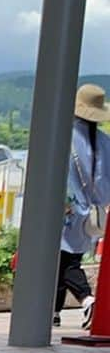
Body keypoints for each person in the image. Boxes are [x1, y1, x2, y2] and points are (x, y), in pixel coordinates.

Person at [55, 83, 110, 328]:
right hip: (90, 213)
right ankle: (53, 311)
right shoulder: (104, 142)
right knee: (66, 260)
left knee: (61, 261)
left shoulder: (64, 136)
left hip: (65, 209)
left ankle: (87, 300)